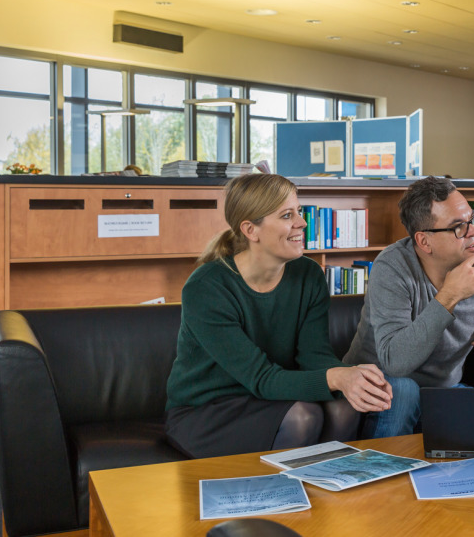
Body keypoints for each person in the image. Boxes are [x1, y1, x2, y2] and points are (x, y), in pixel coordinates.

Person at [165, 174, 392, 458]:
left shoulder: (308, 275)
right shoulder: (207, 287)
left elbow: (314, 357)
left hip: (273, 398)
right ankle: (282, 500)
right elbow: (261, 377)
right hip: (207, 410)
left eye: (299, 211)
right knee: (303, 418)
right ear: (251, 230)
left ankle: (330, 495)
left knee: (343, 408)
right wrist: (336, 378)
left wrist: (351, 377)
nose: (302, 223)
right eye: (287, 215)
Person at [343, 176, 474, 438]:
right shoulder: (393, 269)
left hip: (442, 390)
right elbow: (395, 363)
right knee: (405, 392)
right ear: (424, 242)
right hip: (379, 385)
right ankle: (380, 474)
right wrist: (448, 298)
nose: (473, 231)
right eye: (458, 227)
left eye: (472, 220)